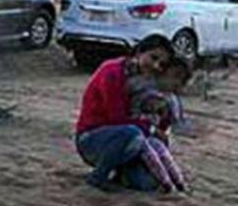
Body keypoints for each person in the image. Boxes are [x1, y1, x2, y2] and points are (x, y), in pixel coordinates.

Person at [74, 35, 176, 192]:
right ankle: (98, 177)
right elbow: (117, 118)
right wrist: (152, 129)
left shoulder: (150, 83)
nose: (156, 65)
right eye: (153, 58)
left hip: (130, 141)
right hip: (92, 139)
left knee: (147, 184)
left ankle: (120, 173)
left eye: (161, 64)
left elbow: (161, 125)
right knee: (131, 133)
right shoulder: (112, 71)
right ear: (139, 52)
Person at [127, 56, 192, 192]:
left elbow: (168, 127)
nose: (176, 84)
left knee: (161, 152)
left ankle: (178, 183)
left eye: (181, 81)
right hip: (134, 141)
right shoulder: (141, 89)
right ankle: (168, 185)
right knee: (146, 173)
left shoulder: (171, 100)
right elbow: (130, 117)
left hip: (151, 141)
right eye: (175, 77)